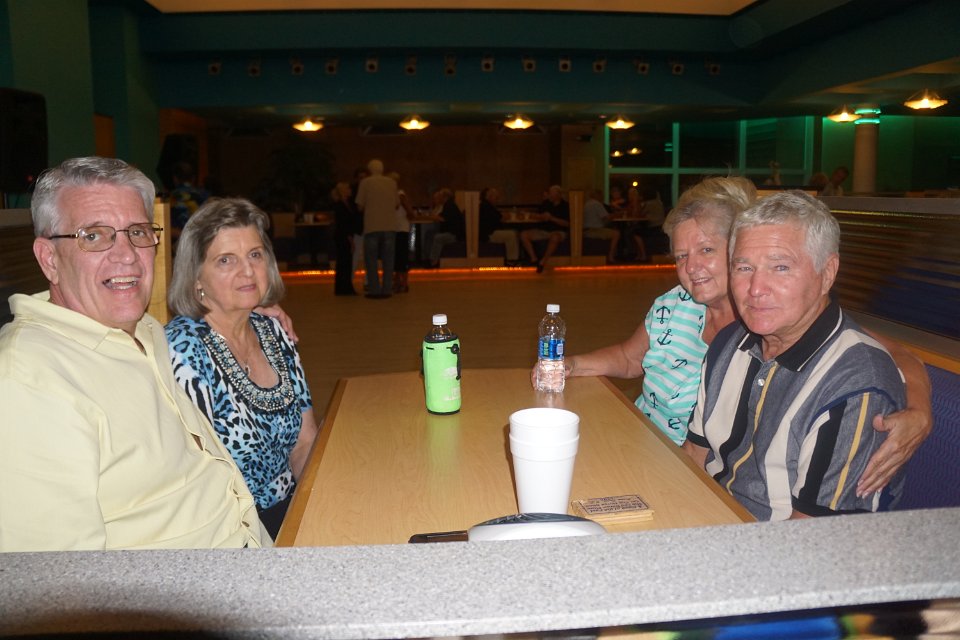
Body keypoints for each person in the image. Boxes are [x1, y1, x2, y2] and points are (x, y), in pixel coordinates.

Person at [557, 176, 931, 496]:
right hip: (647, 446)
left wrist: (920, 412)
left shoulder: (771, 318)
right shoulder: (680, 306)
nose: (691, 267)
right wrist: (567, 364)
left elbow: (881, 356)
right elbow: (630, 357)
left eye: (706, 250)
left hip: (689, 472)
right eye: (681, 255)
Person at [0, 156, 269, 551]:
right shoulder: (27, 380)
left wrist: (250, 312)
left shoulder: (143, 330)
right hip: (189, 587)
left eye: (138, 232)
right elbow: (54, 579)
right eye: (94, 236)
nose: (126, 254)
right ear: (49, 259)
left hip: (252, 548)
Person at [683, 191, 906, 520]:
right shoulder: (730, 343)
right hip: (712, 518)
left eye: (780, 267)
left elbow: (812, 536)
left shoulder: (855, 386)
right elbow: (694, 453)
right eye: (744, 267)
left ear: (827, 273)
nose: (756, 288)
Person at [165, 197, 319, 538]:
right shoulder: (184, 351)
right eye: (225, 260)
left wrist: (317, 506)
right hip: (231, 529)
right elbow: (198, 482)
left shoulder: (273, 330)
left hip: (289, 509)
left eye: (255, 255)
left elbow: (305, 441)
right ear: (196, 278)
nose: (247, 271)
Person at [354, 159, 398, 298]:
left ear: (370, 170)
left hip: (372, 226)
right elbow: (396, 204)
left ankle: (374, 289)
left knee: (371, 260)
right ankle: (387, 289)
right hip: (389, 226)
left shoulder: (365, 182)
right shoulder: (392, 183)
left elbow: (359, 206)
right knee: (388, 260)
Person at [520, 184, 570, 273]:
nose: (549, 195)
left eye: (551, 194)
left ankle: (543, 261)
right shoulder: (546, 203)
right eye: (549, 193)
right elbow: (538, 215)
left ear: (558, 194)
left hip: (558, 231)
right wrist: (540, 216)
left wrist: (552, 218)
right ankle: (534, 259)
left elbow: (567, 223)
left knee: (555, 237)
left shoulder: (566, 206)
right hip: (543, 230)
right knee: (524, 235)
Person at [331, 181, 360, 296]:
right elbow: (342, 223)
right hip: (343, 236)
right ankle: (343, 287)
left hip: (346, 235)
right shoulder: (339, 205)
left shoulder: (347, 204)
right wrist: (350, 239)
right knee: (344, 261)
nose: (350, 190)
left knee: (346, 262)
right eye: (348, 188)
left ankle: (345, 286)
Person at [478, 187, 520, 265]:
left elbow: (498, 216)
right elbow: (501, 218)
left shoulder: (485, 205)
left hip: (486, 233)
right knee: (511, 235)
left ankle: (514, 258)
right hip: (487, 235)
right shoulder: (487, 206)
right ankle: (511, 260)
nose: (497, 200)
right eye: (496, 197)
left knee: (514, 232)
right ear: (489, 197)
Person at [169, 161, 209, 239]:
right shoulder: (205, 196)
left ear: (175, 179)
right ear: (193, 178)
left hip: (178, 241)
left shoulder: (170, 199)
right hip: (201, 239)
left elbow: (165, 228)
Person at [426, 188, 466, 268]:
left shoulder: (449, 205)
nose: (439, 198)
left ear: (445, 197)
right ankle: (432, 260)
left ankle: (433, 262)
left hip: (455, 235)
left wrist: (434, 216)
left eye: (440, 196)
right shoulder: (449, 205)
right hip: (455, 233)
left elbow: (443, 218)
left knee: (437, 238)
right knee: (432, 235)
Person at [389, 172, 414, 293]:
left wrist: (410, 215)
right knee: (398, 257)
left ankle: (402, 282)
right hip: (397, 229)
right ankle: (399, 281)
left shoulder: (399, 194)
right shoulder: (395, 195)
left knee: (401, 257)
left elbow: (409, 210)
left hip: (400, 229)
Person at [582, 189, 620, 263]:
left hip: (586, 230)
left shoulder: (586, 203)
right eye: (601, 195)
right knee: (616, 233)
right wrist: (619, 214)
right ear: (598, 195)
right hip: (594, 230)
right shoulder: (597, 204)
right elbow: (607, 217)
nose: (602, 197)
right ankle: (611, 255)